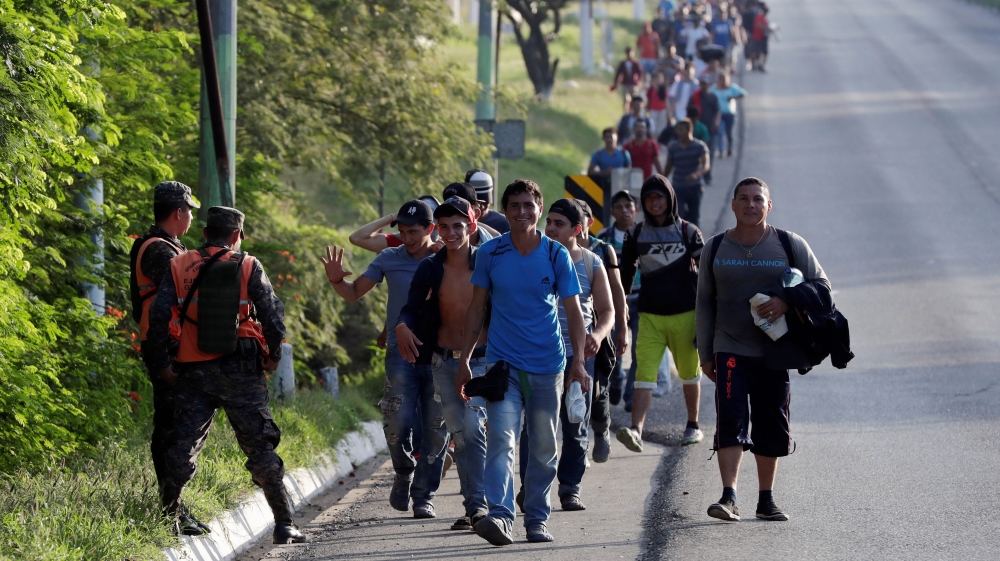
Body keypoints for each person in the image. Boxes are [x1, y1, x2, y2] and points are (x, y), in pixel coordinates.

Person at [147, 206, 305, 544]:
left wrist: (163, 364)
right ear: (237, 235)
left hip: (194, 372)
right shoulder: (248, 265)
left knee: (181, 447)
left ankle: (167, 519)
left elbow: (158, 317)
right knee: (259, 446)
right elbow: (272, 316)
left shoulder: (178, 264)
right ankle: (284, 523)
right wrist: (273, 357)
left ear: (205, 233)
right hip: (241, 371)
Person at [456, 179, 590, 545]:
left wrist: (579, 362)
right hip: (503, 366)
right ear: (505, 210)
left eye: (528, 205)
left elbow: (574, 313)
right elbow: (477, 308)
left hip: (547, 365)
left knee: (544, 447)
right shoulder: (491, 253)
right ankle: (500, 517)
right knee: (501, 439)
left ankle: (536, 518)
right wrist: (465, 359)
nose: (521, 212)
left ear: (539, 209)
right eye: (514, 205)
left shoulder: (555, 254)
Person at [697, 177, 829, 522]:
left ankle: (766, 500)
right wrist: (705, 354)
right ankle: (729, 496)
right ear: (733, 204)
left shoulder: (789, 243)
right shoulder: (715, 247)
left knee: (770, 424)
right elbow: (704, 303)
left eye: (758, 199)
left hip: (775, 352)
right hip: (729, 347)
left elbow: (823, 286)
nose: (750, 205)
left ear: (769, 206)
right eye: (743, 199)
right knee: (730, 419)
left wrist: (786, 300)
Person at [322, 200, 447, 519]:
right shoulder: (389, 257)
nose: (407, 238)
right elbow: (353, 293)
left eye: (414, 232)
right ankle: (403, 470)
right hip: (400, 352)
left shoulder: (446, 257)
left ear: (430, 229)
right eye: (402, 232)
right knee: (395, 421)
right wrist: (336, 280)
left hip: (440, 353)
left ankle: (424, 496)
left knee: (436, 428)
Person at [395, 196, 490, 531]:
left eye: (458, 226)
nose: (451, 233)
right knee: (460, 436)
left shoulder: (486, 263)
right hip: (443, 362)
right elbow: (410, 307)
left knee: (474, 430)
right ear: (437, 229)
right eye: (445, 226)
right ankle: (473, 506)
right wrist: (402, 325)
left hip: (482, 362)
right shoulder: (430, 267)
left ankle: (481, 505)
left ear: (472, 225)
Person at [516, 199, 614, 512]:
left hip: (579, 358)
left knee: (575, 423)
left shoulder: (591, 262)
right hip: (536, 358)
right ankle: (530, 486)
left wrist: (598, 335)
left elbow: (607, 310)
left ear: (577, 229)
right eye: (550, 222)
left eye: (559, 224)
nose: (551, 228)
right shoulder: (531, 258)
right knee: (534, 426)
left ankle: (570, 488)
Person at [128, 181, 206, 536]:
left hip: (174, 346)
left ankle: (175, 506)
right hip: (166, 348)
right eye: (189, 211)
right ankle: (170, 511)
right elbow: (173, 303)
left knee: (177, 426)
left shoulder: (168, 246)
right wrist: (163, 361)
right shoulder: (158, 250)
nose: (191, 218)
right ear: (178, 212)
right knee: (172, 428)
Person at [618, 176, 706, 454]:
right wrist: (619, 308)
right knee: (644, 374)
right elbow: (625, 274)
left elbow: (707, 274)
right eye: (649, 198)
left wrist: (707, 317)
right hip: (650, 316)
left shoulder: (689, 231)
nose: (654, 203)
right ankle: (636, 430)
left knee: (689, 373)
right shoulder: (635, 233)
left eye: (660, 197)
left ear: (670, 199)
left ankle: (693, 425)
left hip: (686, 315)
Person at [574, 200, 628, 464]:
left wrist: (622, 329)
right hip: (567, 329)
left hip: (598, 329)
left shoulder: (603, 251)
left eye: (579, 216)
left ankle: (601, 430)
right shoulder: (557, 250)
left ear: (589, 221)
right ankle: (578, 445)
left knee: (598, 385)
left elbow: (617, 290)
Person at [664, 119, 711, 226]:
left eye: (681, 130)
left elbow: (706, 165)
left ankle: (695, 235)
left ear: (689, 130)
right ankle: (682, 235)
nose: (679, 132)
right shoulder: (673, 147)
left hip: (694, 187)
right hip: (678, 186)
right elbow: (668, 167)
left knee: (694, 216)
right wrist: (662, 180)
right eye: (678, 130)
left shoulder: (700, 146)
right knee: (678, 216)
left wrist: (696, 174)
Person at [712, 73, 747, 157]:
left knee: (729, 132)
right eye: (721, 79)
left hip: (729, 114)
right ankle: (721, 151)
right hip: (718, 114)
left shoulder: (732, 88)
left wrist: (733, 97)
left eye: (724, 79)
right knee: (720, 132)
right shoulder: (714, 89)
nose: (722, 81)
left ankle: (729, 148)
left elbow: (744, 94)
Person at [467, 169, 510, 234]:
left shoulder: (504, 223)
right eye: (477, 203)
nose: (482, 207)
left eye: (485, 203)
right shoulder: (460, 222)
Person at [695, 76, 722, 165]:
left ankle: (708, 169)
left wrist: (716, 122)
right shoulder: (696, 96)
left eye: (705, 84)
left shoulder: (713, 97)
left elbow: (717, 112)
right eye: (702, 84)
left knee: (710, 150)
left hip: (710, 127)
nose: (703, 86)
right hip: (698, 128)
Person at [646, 72, 670, 139]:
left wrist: (669, 113)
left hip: (662, 110)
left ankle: (660, 139)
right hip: (653, 110)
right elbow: (648, 101)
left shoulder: (663, 90)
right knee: (653, 126)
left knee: (661, 127)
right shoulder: (650, 90)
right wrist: (647, 110)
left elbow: (666, 101)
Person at [750, 3, 770, 72]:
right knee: (757, 53)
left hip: (763, 38)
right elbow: (759, 25)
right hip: (757, 37)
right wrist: (767, 28)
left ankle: (761, 65)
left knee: (764, 53)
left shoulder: (764, 18)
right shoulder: (759, 17)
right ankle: (755, 65)